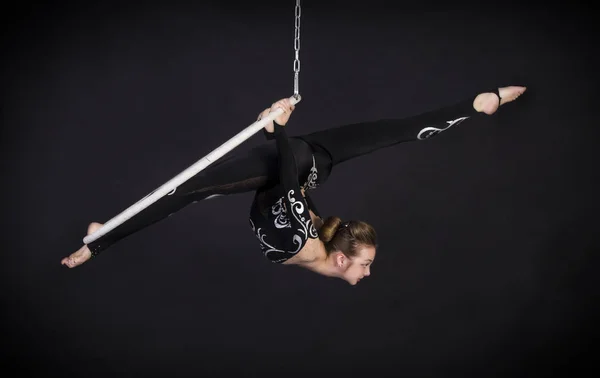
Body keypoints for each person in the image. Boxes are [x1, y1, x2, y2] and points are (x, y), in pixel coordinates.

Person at [62, 86, 527, 285]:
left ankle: (476, 103)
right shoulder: (304, 246)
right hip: (288, 164)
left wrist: (282, 136)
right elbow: (285, 184)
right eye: (366, 265)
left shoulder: (311, 243)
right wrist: (274, 131)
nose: (367, 273)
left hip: (310, 165)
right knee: (187, 190)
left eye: (364, 266)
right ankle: (100, 241)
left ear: (341, 257)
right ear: (340, 255)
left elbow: (292, 190)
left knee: (393, 132)